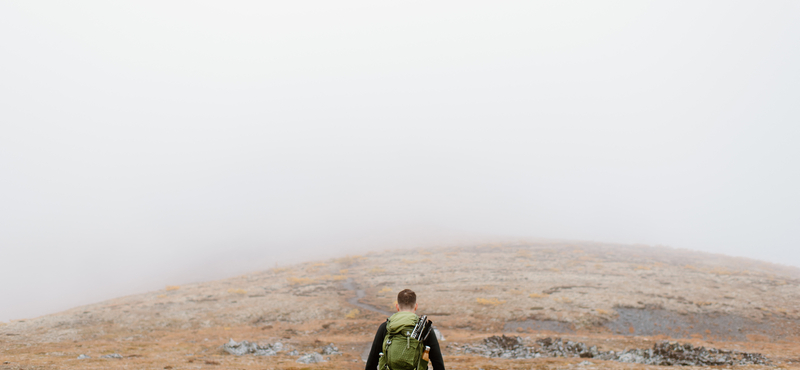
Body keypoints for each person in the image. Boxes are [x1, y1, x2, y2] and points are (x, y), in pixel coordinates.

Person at [365, 289, 445, 370]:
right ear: (416, 306)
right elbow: (438, 365)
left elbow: (371, 365)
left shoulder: (385, 327)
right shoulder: (425, 329)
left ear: (397, 307)